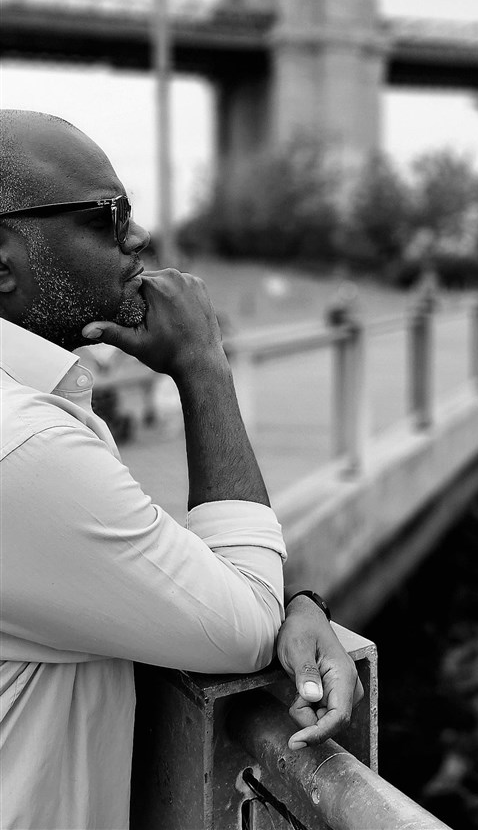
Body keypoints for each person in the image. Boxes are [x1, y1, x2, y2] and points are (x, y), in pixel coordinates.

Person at [0, 110, 362, 830]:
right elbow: (243, 621)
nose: (138, 237)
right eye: (108, 216)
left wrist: (300, 600)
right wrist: (202, 363)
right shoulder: (25, 447)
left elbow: (151, 563)